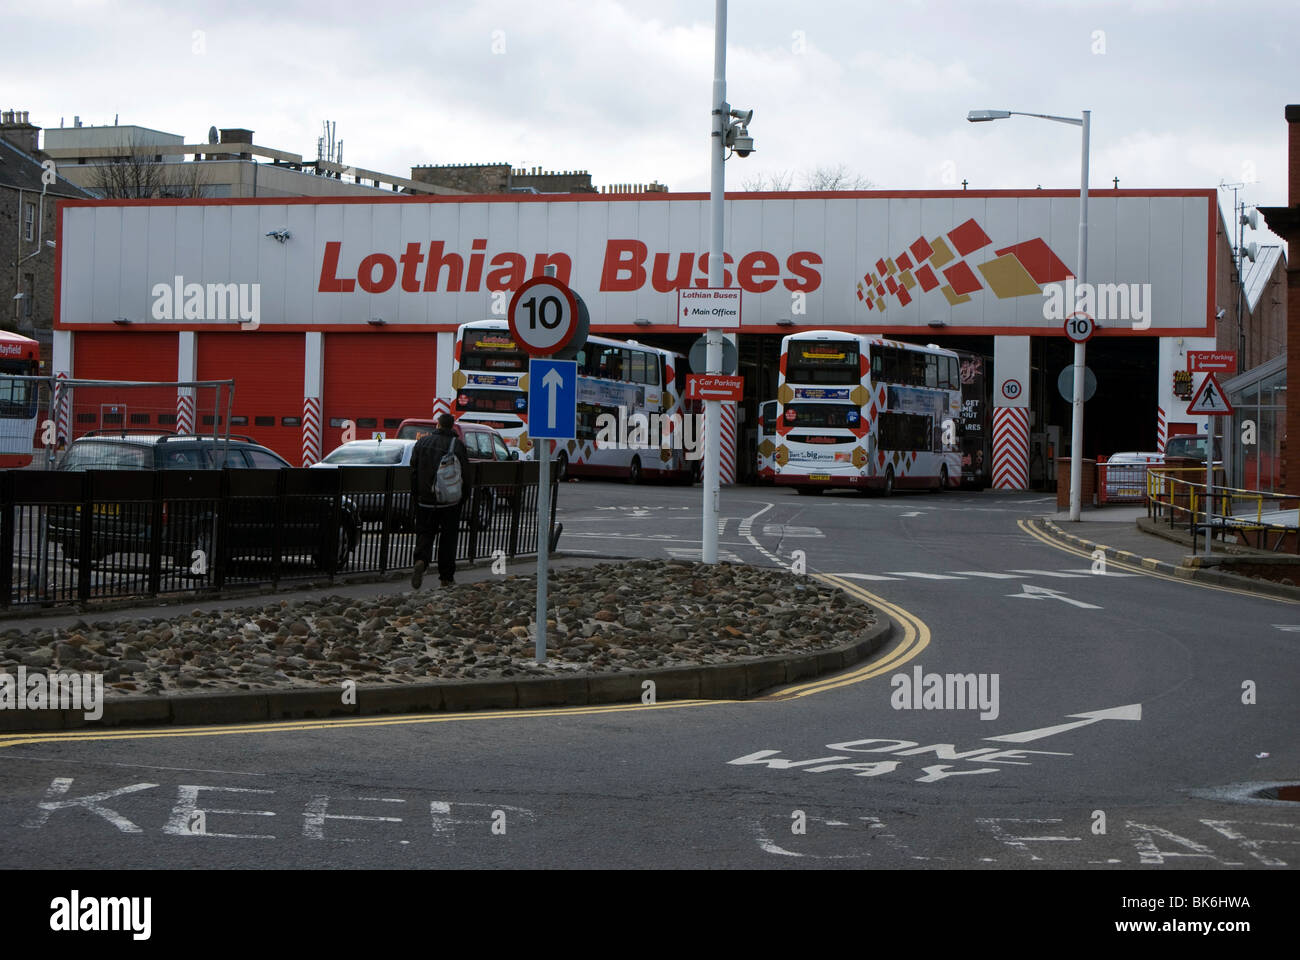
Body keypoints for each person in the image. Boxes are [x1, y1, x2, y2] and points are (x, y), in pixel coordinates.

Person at [409, 413, 470, 588]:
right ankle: (446, 577)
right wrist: (463, 497)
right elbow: (466, 474)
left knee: (425, 533)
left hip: (425, 500)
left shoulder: (421, 444)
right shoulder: (457, 445)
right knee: (448, 539)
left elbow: (413, 472)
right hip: (450, 501)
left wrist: (416, 495)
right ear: (452, 427)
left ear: (437, 425)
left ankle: (421, 560)